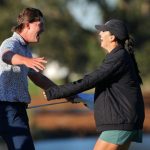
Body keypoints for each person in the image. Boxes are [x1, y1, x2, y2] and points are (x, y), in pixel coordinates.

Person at [44, 19, 145, 150]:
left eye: (103, 31)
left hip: (120, 123)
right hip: (126, 121)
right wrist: (80, 97)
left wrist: (55, 92)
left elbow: (90, 80)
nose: (100, 34)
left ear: (112, 37)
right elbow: (111, 92)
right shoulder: (120, 56)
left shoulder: (118, 58)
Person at [0, 7, 56, 150]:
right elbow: (6, 56)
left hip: (16, 110)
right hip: (8, 108)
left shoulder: (25, 49)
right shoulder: (11, 43)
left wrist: (62, 91)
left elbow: (36, 76)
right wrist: (26, 61)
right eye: (40, 24)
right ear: (27, 25)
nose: (43, 29)